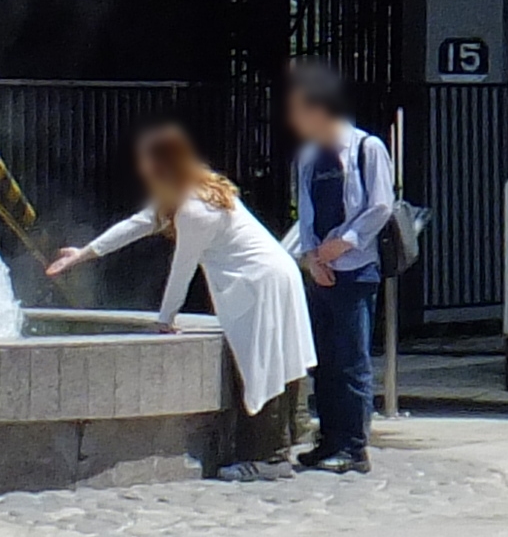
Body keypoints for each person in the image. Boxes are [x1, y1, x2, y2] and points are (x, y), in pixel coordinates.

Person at [46, 124, 316, 470]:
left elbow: (183, 268)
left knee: (261, 364)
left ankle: (267, 460)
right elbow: (138, 223)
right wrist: (83, 254)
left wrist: (164, 319)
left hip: (259, 283)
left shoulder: (194, 208)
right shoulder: (195, 189)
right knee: (276, 359)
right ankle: (284, 443)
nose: (142, 169)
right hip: (274, 277)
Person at [280, 58, 398, 474]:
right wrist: (313, 256)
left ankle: (353, 445)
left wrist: (343, 244)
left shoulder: (367, 148)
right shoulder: (309, 157)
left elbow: (380, 205)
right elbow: (307, 215)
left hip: (355, 269)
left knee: (351, 359)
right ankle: (327, 437)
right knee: (325, 360)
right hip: (321, 271)